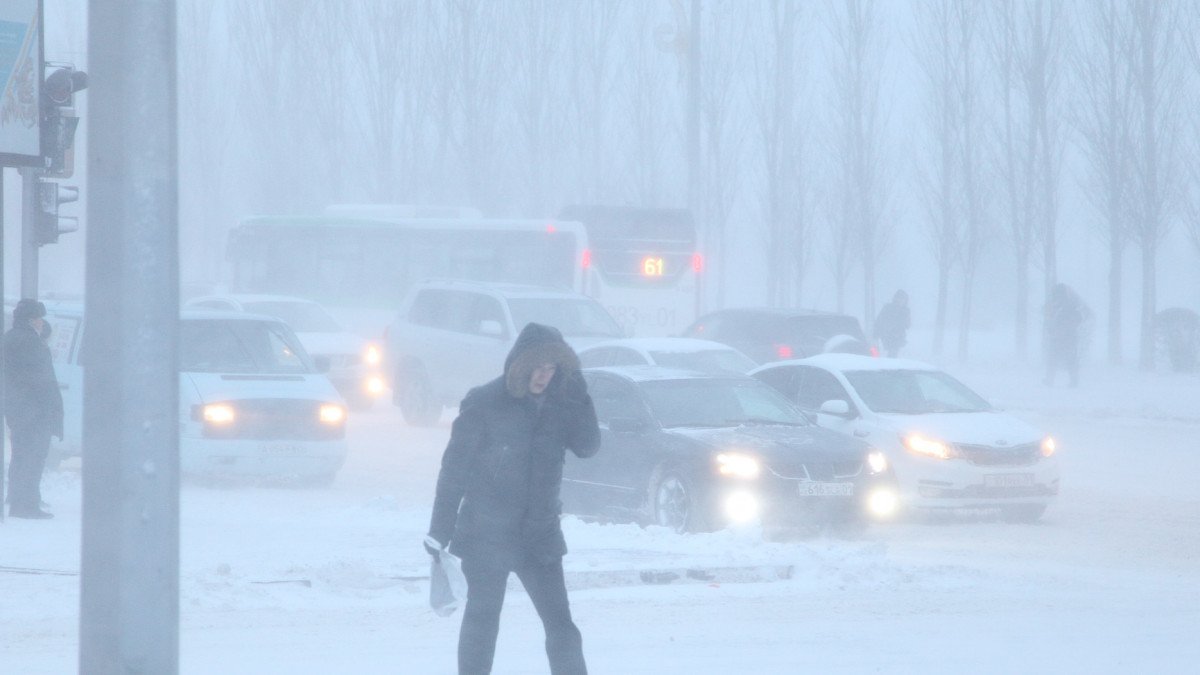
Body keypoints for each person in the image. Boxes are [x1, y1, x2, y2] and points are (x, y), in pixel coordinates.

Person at [426, 322, 600, 675]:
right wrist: (439, 530)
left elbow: (588, 447)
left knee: (561, 625)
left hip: (540, 533)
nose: (543, 376)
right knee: (482, 623)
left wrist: (579, 392)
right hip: (487, 534)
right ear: (519, 365)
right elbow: (454, 470)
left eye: (551, 368)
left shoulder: (561, 404)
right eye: (536, 367)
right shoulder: (485, 402)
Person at [4, 299, 64, 519]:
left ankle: (18, 497)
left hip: (19, 410)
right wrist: (50, 411)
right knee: (34, 457)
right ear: (31, 320)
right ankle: (26, 504)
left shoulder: (11, 338)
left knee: (21, 455)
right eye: (39, 319)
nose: (41, 323)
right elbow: (41, 380)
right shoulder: (30, 343)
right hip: (35, 411)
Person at [1043, 283, 1085, 387]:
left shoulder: (1070, 306)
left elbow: (1078, 319)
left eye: (1056, 294)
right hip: (1057, 338)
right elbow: (1050, 319)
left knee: (1070, 360)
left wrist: (1066, 327)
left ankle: (1074, 382)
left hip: (1068, 338)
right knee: (1052, 359)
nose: (1054, 296)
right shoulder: (1054, 306)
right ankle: (1049, 380)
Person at [874, 289, 911, 358]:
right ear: (895, 298)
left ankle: (889, 365)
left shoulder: (906, 311)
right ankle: (876, 363)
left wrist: (906, 318)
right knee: (875, 353)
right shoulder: (887, 308)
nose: (900, 301)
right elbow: (879, 320)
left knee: (893, 354)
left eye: (903, 299)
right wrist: (876, 333)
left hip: (897, 337)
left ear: (905, 301)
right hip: (885, 335)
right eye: (899, 298)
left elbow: (907, 325)